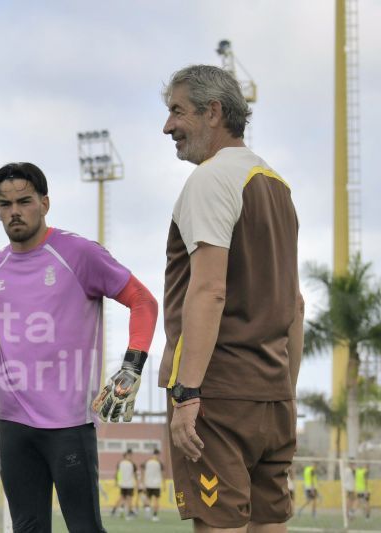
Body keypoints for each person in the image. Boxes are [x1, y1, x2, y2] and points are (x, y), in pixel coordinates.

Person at [0, 162, 159, 532]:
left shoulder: (80, 253)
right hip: (13, 425)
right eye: (5, 204)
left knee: (85, 527)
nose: (15, 211)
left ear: (45, 203)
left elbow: (144, 301)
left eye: (24, 201)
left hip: (69, 424)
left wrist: (132, 366)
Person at [158, 64, 305, 532]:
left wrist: (187, 394)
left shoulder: (210, 180)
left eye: (177, 112)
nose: (168, 126)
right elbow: (295, 306)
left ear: (214, 112)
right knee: (269, 525)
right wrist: (286, 392)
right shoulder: (277, 186)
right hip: (272, 395)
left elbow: (209, 289)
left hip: (218, 396)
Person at [112, 449, 137, 520]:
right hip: (128, 484)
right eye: (130, 455)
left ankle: (114, 510)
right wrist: (137, 483)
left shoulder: (120, 463)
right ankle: (129, 513)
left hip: (123, 484)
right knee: (129, 498)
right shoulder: (132, 464)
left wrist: (116, 481)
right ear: (126, 455)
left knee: (122, 497)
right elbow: (135, 475)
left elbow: (116, 473)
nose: (131, 456)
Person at [142, 448, 164, 522]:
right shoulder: (159, 463)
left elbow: (143, 471)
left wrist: (143, 483)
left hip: (148, 483)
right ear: (158, 454)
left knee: (148, 498)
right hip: (156, 484)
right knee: (156, 500)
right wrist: (164, 484)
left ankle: (147, 511)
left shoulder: (147, 462)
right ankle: (154, 516)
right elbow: (162, 474)